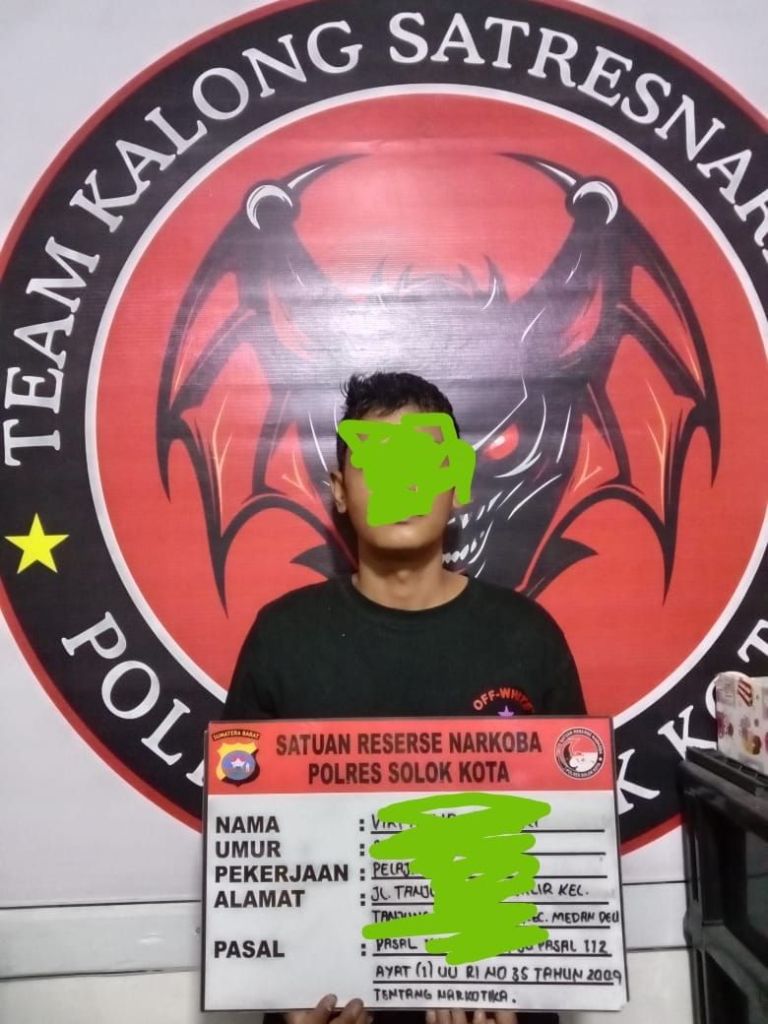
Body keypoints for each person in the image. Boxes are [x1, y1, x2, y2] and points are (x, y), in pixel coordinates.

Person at [223, 371, 587, 1024]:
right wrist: (285, 997)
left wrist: (514, 983)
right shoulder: (282, 636)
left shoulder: (528, 636)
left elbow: (566, 848)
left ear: (457, 481)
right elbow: (253, 850)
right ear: (339, 490)